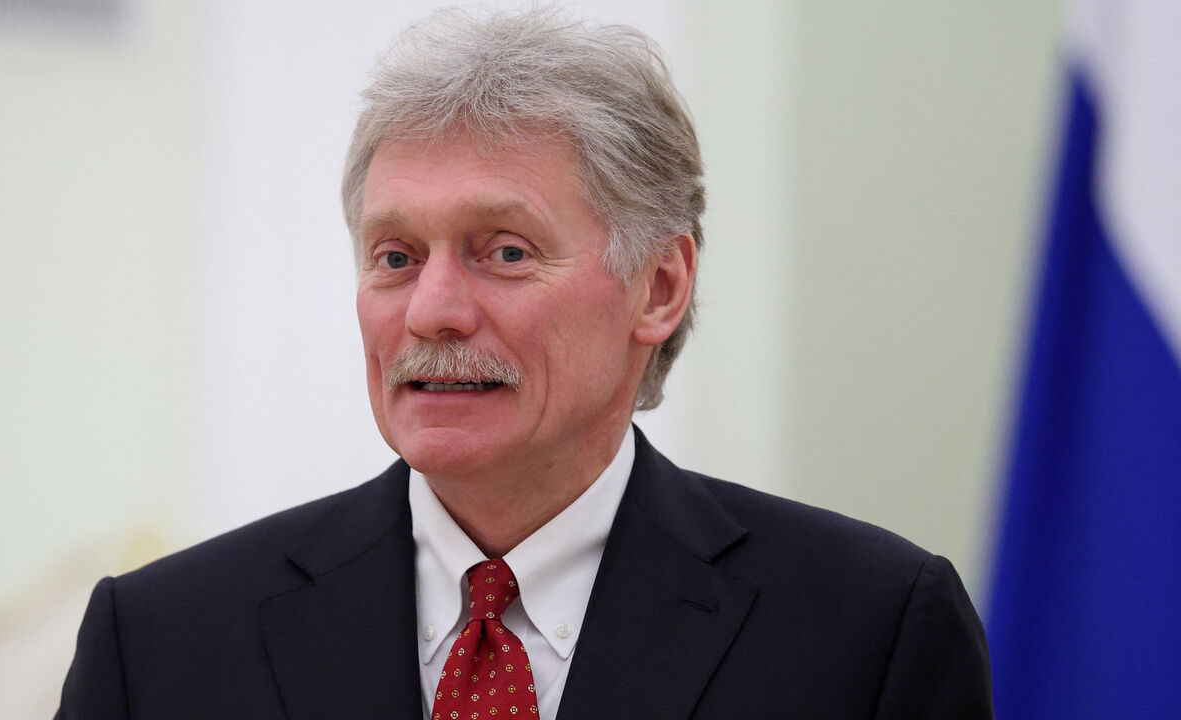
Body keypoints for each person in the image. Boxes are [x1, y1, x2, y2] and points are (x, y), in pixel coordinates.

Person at [57, 8, 992, 719]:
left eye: (503, 251)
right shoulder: (162, 644)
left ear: (658, 287)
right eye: (395, 257)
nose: (432, 309)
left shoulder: (868, 633)